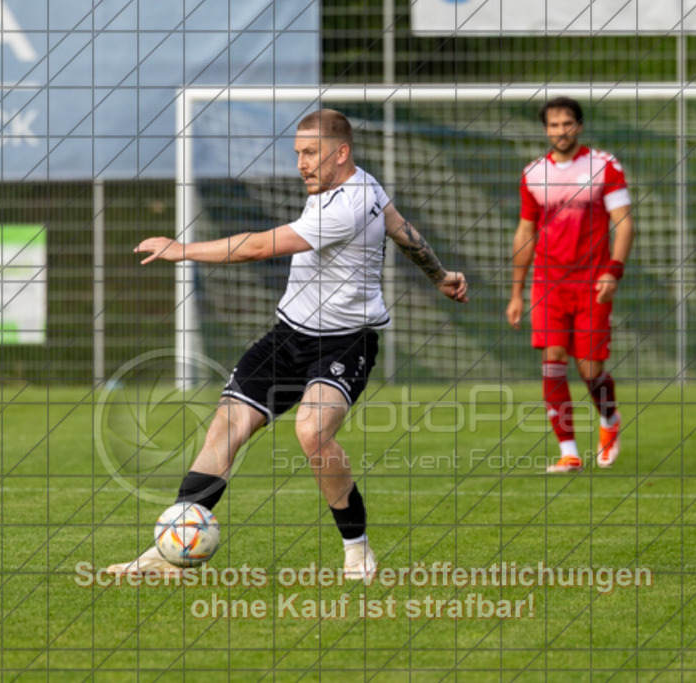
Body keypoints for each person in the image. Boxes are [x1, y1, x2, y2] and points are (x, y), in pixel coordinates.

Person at [107, 109, 468, 579]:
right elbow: (402, 230)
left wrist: (183, 250)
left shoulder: (348, 205)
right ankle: (170, 551)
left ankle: (357, 550)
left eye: (311, 153)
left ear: (341, 153)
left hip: (345, 343)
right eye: (298, 153)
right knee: (225, 428)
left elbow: (257, 247)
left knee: (312, 432)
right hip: (289, 335)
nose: (301, 164)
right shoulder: (362, 186)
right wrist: (440, 275)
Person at [506, 97, 634, 474]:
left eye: (567, 124)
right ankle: (569, 452)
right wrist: (516, 293)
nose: (561, 131)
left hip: (592, 283)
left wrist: (613, 271)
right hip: (548, 283)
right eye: (554, 125)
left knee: (590, 370)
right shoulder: (533, 174)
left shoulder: (604, 166)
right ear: (545, 130)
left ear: (579, 126)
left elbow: (624, 223)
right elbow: (525, 232)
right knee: (553, 362)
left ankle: (609, 419)